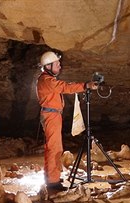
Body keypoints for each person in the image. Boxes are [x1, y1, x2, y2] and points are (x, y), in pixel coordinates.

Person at [36, 50, 98, 192]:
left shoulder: (45, 79)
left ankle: (52, 177)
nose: (60, 66)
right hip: (51, 116)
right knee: (55, 149)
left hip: (52, 115)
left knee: (52, 148)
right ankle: (53, 182)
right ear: (48, 66)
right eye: (57, 64)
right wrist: (85, 86)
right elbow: (65, 87)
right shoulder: (47, 80)